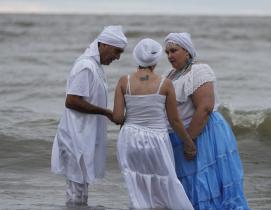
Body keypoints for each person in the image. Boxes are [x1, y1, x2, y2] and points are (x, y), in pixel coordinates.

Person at [164, 32, 250, 210]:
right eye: (167, 52)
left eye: (174, 51)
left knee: (206, 184)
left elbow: (205, 108)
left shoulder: (199, 70)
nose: (170, 56)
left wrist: (189, 141)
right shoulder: (171, 75)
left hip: (204, 134)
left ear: (187, 51)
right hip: (182, 136)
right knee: (189, 186)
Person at [112, 38, 196, 209]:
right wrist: (189, 143)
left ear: (137, 58)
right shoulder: (165, 84)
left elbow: (118, 118)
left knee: (137, 184)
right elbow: (174, 120)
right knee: (165, 182)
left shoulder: (123, 81)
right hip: (157, 139)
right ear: (156, 59)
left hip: (130, 138)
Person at [51, 25, 127, 206]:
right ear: (104, 45)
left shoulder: (95, 66)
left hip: (82, 136)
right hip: (74, 137)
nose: (117, 57)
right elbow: (72, 101)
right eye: (117, 51)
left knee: (81, 193)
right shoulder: (86, 66)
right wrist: (106, 112)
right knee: (76, 194)